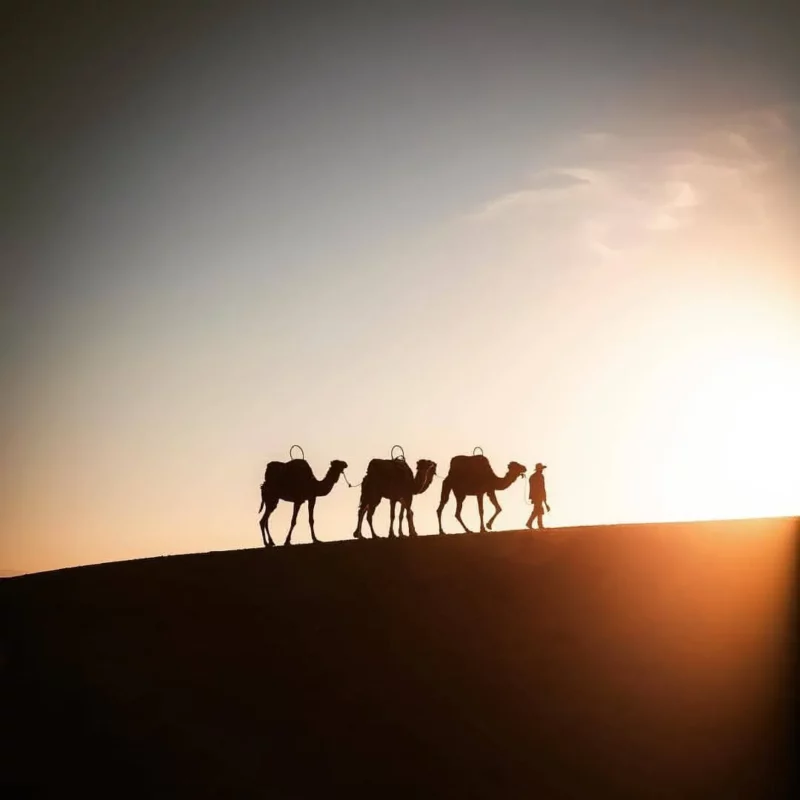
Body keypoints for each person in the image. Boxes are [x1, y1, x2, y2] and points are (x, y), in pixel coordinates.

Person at [526, 463, 550, 530]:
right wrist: (544, 499)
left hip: (537, 496)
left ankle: (531, 523)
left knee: (537, 510)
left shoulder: (533, 477)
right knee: (539, 510)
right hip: (538, 496)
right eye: (541, 468)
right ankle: (538, 524)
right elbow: (541, 487)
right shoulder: (538, 476)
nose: (542, 470)